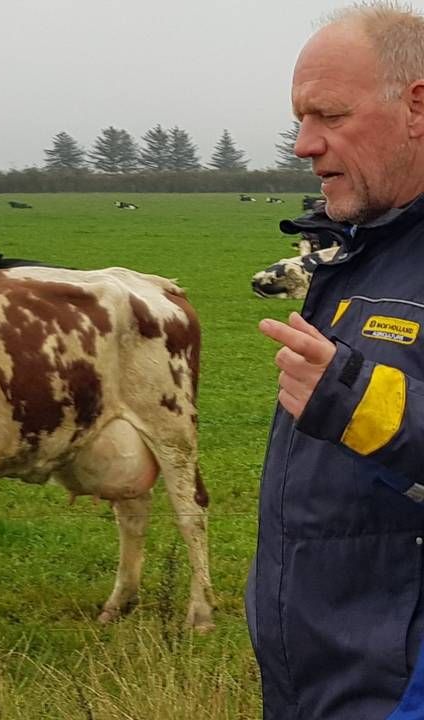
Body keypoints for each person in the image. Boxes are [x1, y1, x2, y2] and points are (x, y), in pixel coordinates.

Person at [248, 4, 424, 719]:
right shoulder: (357, 251)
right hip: (314, 683)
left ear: (417, 107)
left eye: (329, 115)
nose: (302, 145)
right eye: (300, 118)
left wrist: (361, 400)